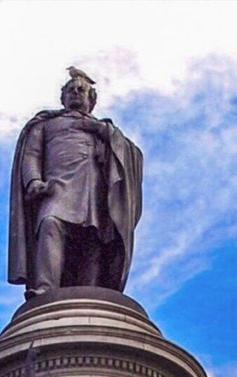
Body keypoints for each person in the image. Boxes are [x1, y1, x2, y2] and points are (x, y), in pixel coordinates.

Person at [8, 68, 142, 297]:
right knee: (51, 224)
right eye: (71, 90)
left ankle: (90, 294)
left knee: (93, 240)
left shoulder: (104, 130)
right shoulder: (47, 123)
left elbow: (132, 155)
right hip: (56, 188)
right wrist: (32, 181)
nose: (76, 93)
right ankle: (46, 288)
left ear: (92, 99)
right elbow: (31, 154)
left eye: (82, 90)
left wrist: (101, 130)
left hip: (94, 192)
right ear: (63, 97)